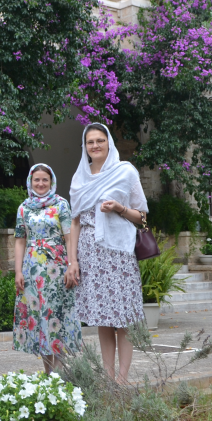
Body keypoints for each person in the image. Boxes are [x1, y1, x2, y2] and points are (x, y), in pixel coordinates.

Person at [69, 123, 148, 383]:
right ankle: (108, 377)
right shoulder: (80, 178)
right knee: (103, 316)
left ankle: (122, 381)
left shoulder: (125, 172)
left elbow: (142, 217)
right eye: (90, 142)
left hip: (119, 253)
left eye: (100, 140)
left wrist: (119, 209)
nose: (95, 146)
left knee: (123, 317)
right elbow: (75, 222)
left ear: (108, 142)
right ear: (85, 147)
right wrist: (73, 261)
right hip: (90, 253)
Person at [12, 164, 82, 373]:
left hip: (57, 269)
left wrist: (72, 264)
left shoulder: (61, 205)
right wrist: (18, 271)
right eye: (37, 180)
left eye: (45, 180)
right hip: (32, 270)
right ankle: (48, 372)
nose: (41, 184)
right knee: (40, 318)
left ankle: (59, 374)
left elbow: (69, 236)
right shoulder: (24, 207)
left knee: (55, 317)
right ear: (30, 182)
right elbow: (19, 241)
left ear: (51, 182)